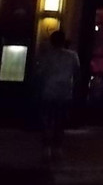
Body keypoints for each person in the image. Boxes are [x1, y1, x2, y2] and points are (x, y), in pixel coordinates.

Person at [34, 30, 81, 161]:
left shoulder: (47, 56)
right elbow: (77, 74)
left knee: (47, 120)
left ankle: (46, 148)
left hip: (48, 91)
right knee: (60, 121)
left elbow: (40, 73)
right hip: (65, 92)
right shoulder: (72, 56)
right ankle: (57, 148)